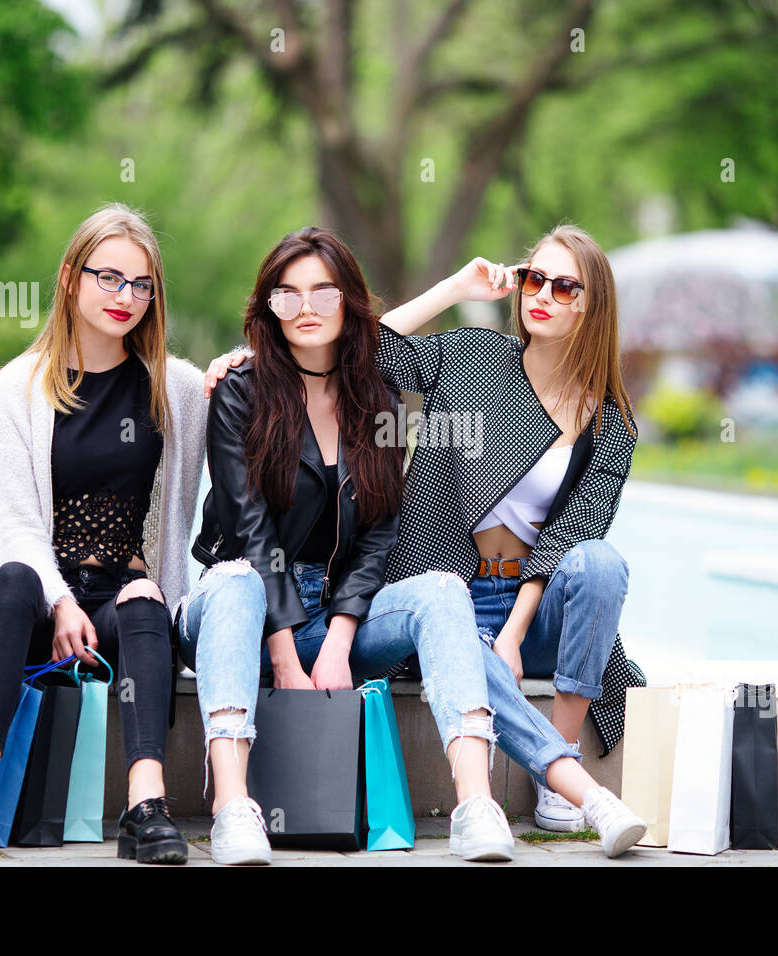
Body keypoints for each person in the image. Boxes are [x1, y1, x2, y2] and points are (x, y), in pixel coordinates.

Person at [204, 223, 647, 854]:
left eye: (564, 285)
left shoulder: (613, 421)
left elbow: (576, 531)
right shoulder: (477, 359)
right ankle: (569, 788)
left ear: (592, 304)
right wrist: (455, 287)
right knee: (453, 625)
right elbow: (365, 346)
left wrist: (515, 637)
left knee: (601, 562)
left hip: (531, 605)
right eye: (532, 278)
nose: (541, 293)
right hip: (451, 591)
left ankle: (560, 766)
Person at [179, 226, 520, 864]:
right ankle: (232, 809)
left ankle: (477, 804)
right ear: (267, 308)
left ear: (350, 305)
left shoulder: (379, 398)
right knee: (235, 580)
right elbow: (249, 532)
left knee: (442, 590)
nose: (305, 309)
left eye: (323, 294)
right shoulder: (240, 392)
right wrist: (284, 655)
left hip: (338, 615)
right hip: (241, 616)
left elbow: (380, 532)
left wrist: (338, 640)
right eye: (286, 295)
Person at [0, 204, 208, 864]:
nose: (125, 297)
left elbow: (291, 368)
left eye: (141, 284)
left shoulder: (178, 389)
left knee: (143, 600)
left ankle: (146, 806)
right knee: (15, 574)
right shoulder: (18, 387)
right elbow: (18, 529)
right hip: (30, 602)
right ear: (71, 277)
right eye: (108, 277)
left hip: (111, 610)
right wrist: (61, 602)